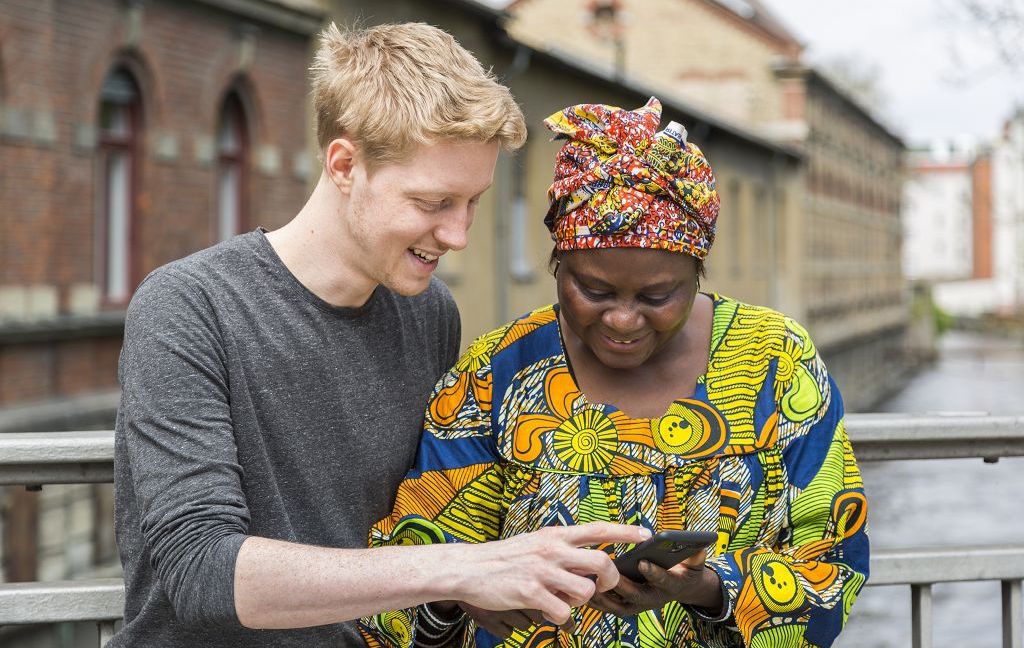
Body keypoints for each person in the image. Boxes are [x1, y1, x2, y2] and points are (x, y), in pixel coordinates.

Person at [111, 23, 650, 647]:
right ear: (345, 165)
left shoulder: (428, 313)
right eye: (433, 202)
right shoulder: (188, 305)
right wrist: (466, 569)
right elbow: (201, 573)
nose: (458, 234)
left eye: (473, 202)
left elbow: (421, 526)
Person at [360, 98, 869, 648]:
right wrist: (463, 596)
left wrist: (704, 587)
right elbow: (414, 571)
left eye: (657, 295)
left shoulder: (774, 363)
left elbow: (833, 567)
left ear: (697, 273)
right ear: (558, 266)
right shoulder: (498, 372)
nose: (623, 320)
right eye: (594, 290)